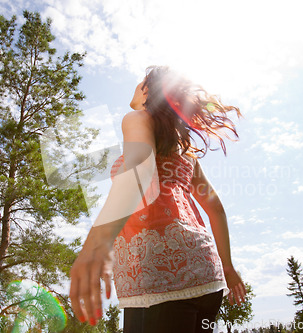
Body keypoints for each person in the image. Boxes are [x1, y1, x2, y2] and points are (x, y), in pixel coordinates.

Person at [69, 66, 247, 332]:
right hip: (207, 273)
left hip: (155, 273)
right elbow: (216, 210)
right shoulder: (186, 152)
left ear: (147, 91)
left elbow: (141, 170)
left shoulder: (137, 118)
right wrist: (228, 268)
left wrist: (97, 243)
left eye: (141, 80)